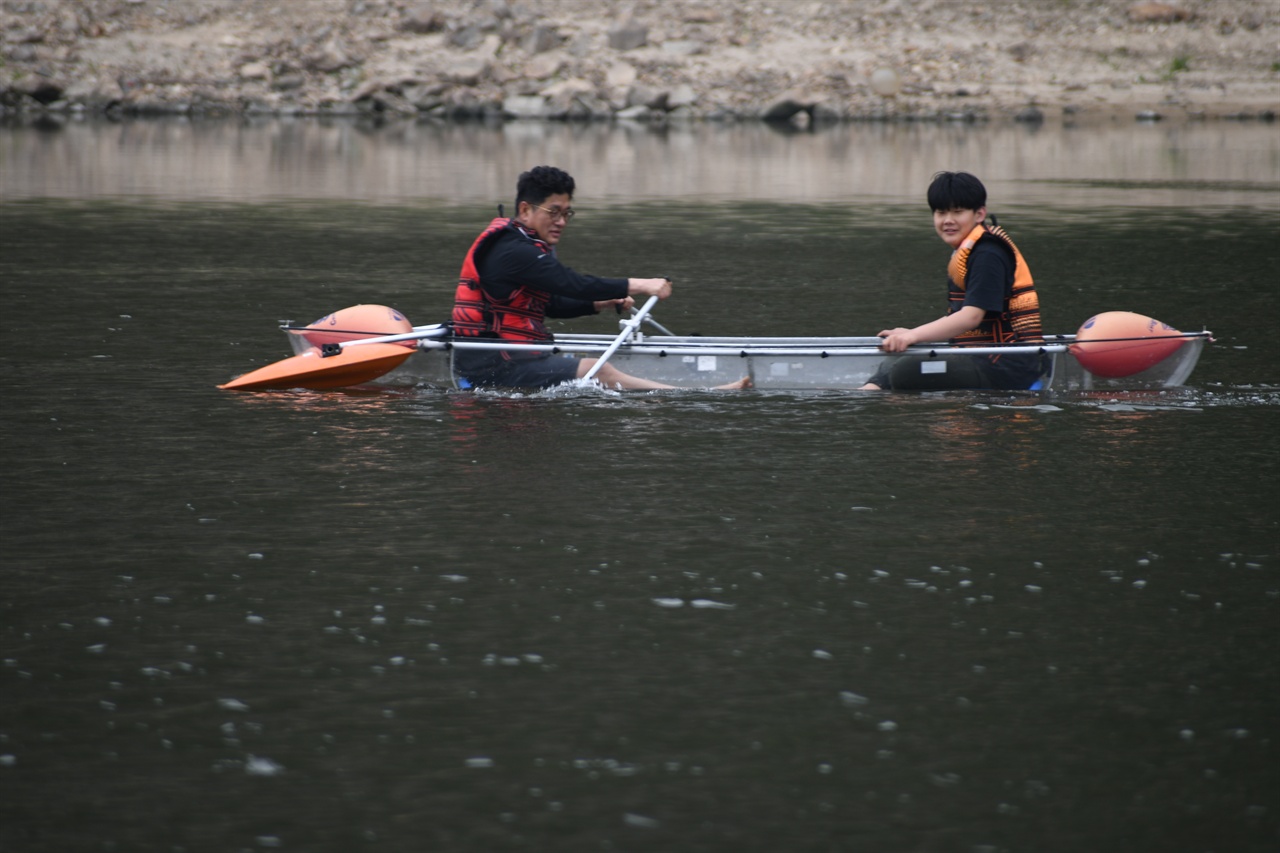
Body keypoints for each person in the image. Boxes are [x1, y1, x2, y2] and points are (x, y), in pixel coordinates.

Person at [451, 165, 749, 391]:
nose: (561, 222)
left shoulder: (525, 245)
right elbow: (572, 283)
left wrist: (599, 304)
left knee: (593, 366)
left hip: (509, 357)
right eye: (554, 212)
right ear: (525, 210)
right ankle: (695, 395)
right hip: (492, 366)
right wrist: (642, 284)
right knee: (597, 369)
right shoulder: (513, 252)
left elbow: (551, 305)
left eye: (567, 213)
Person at [859, 171, 1046, 391]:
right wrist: (912, 336)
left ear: (979, 214)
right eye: (941, 212)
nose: (948, 220)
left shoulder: (988, 254)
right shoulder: (968, 250)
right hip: (977, 357)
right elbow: (960, 319)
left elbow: (971, 317)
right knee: (896, 357)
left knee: (907, 370)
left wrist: (913, 335)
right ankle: (860, 399)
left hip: (1008, 366)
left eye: (958, 212)